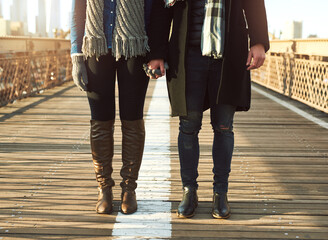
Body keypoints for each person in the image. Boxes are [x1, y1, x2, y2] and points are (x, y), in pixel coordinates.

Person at [147, 0, 269, 219]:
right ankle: (189, 191)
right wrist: (156, 52)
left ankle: (220, 193)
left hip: (228, 52)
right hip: (187, 55)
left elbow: (254, 4)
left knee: (223, 127)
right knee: (188, 126)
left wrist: (259, 41)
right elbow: (160, 10)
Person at [70, 0, 153, 215]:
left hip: (134, 47)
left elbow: (153, 9)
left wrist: (156, 52)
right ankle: (104, 188)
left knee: (132, 118)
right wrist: (76, 55)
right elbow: (78, 10)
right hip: (96, 47)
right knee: (100, 119)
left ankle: (129, 189)